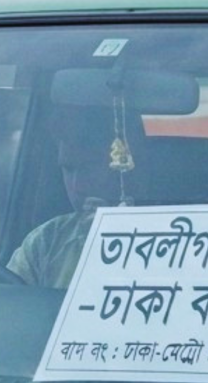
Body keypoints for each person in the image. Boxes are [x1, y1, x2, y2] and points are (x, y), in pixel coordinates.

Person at [7, 116, 134, 286]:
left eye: (89, 168)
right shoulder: (45, 242)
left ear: (119, 169)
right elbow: (7, 304)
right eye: (68, 169)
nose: (77, 186)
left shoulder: (160, 237)